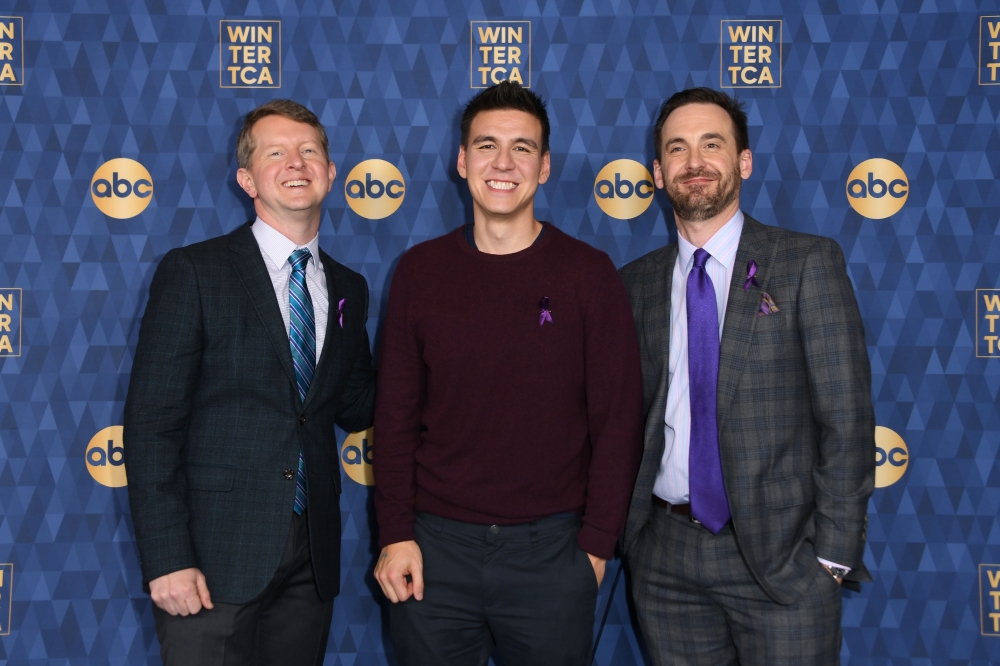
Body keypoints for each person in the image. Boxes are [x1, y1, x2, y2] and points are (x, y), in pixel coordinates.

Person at [372, 81, 643, 665]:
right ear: (462, 160)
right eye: (487, 145)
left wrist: (594, 549)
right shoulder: (419, 272)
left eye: (522, 148)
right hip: (433, 553)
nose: (503, 163)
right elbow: (393, 420)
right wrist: (395, 535)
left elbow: (619, 423)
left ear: (544, 168)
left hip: (553, 555)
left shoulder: (590, 276)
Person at [619, 87, 875, 666]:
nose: (695, 163)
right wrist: (633, 542)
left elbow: (848, 421)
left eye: (712, 143)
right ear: (659, 173)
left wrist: (830, 559)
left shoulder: (807, 263)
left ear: (744, 161)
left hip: (784, 565)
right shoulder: (633, 283)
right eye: (677, 150)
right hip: (665, 562)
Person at [124, 99, 376, 665]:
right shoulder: (194, 272)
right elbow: (151, 425)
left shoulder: (348, 289)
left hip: (311, 557)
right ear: (247, 178)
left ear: (331, 173)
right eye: (276, 152)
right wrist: (167, 557)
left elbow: (358, 404)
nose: (296, 163)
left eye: (310, 151)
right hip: (211, 559)